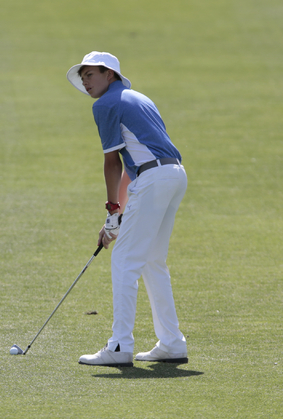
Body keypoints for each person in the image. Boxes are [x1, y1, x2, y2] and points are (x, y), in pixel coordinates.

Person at [66, 52, 188, 367]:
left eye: (90, 74)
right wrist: (115, 216)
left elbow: (112, 161)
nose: (85, 81)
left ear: (110, 75)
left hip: (154, 179)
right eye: (83, 77)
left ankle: (120, 346)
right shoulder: (139, 98)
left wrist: (111, 213)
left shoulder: (105, 104)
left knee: (124, 259)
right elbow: (133, 167)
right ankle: (172, 343)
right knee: (151, 260)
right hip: (173, 175)